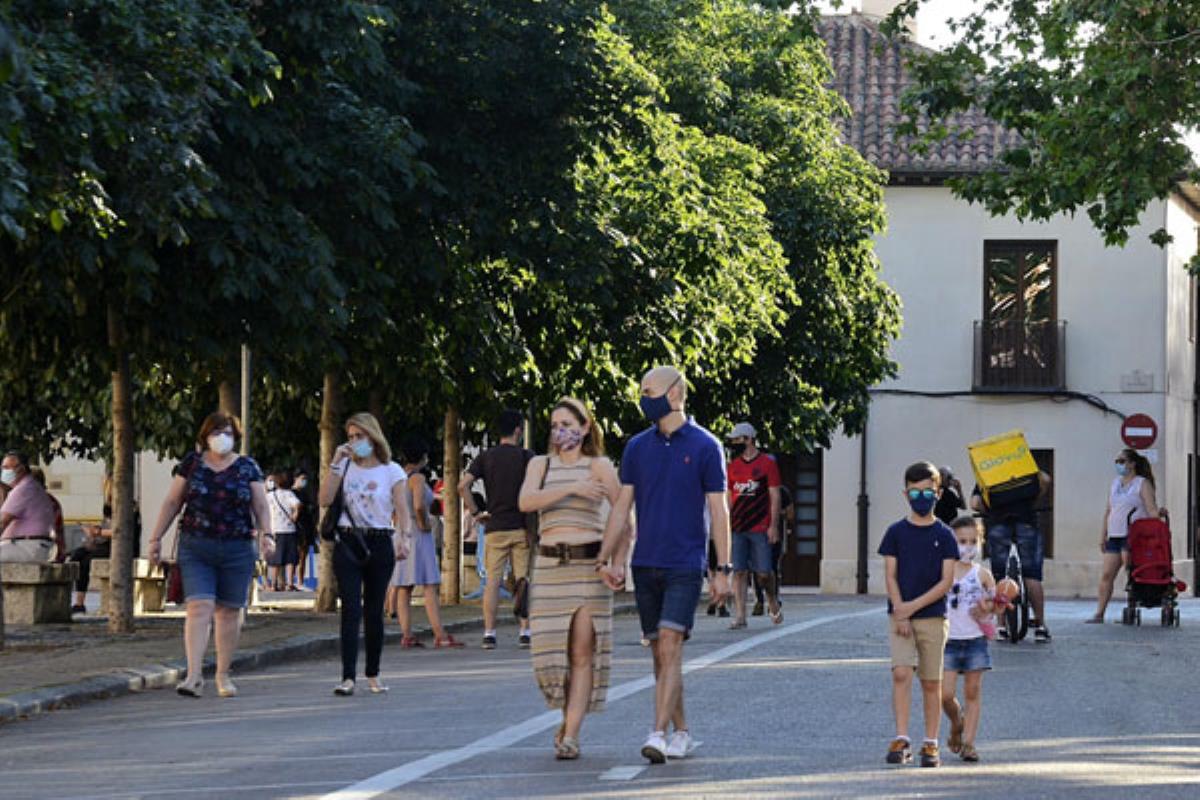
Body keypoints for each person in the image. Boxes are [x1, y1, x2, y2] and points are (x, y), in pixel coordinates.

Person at [597, 366, 732, 764]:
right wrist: (606, 556)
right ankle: (682, 732)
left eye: (648, 390)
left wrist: (722, 568)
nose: (643, 397)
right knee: (660, 655)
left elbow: (718, 511)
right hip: (646, 563)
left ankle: (656, 733)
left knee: (671, 644)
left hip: (684, 564)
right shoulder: (637, 447)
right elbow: (622, 506)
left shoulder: (707, 446)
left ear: (674, 394)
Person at [519, 397, 624, 760]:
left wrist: (617, 562)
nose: (559, 431)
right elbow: (526, 501)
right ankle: (567, 716)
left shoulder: (600, 466)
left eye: (567, 424)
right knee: (550, 654)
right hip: (548, 568)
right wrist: (571, 489)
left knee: (581, 653)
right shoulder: (540, 464)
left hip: (587, 568)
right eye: (554, 425)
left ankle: (572, 732)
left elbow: (624, 518)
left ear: (585, 428)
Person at [147, 412, 274, 699]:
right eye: (216, 432)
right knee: (199, 607)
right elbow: (172, 501)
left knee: (229, 611)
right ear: (205, 436)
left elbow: (261, 506)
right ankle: (193, 675)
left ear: (236, 437)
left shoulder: (247, 467)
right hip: (197, 546)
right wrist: (155, 538)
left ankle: (223, 674)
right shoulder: (191, 465)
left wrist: (268, 535)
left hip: (238, 547)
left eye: (228, 432)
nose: (222, 437)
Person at [319, 412, 408, 696]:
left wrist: (403, 539)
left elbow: (402, 510)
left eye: (360, 436)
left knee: (374, 610)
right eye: (351, 437)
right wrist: (334, 463)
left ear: (373, 436)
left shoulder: (391, 470)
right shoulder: (344, 467)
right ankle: (347, 677)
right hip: (348, 542)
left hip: (380, 542)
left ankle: (373, 673)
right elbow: (324, 499)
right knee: (351, 610)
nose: (355, 442)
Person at [880, 461, 958, 768]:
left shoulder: (946, 535)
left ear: (938, 493)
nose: (921, 497)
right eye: (915, 492)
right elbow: (890, 575)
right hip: (900, 617)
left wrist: (912, 608)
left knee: (931, 681)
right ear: (905, 493)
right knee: (901, 672)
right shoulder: (895, 532)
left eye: (927, 491)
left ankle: (931, 743)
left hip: (933, 618)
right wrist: (901, 611)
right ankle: (901, 738)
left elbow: (946, 581)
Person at [460, 409, 534, 650]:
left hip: (494, 527)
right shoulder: (527, 457)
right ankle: (525, 630)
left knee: (492, 580)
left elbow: (463, 485)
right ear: (518, 431)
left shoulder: (486, 457)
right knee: (523, 580)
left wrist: (475, 513)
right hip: (521, 527)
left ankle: (489, 633)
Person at [391, 436, 464, 649]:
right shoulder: (418, 479)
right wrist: (423, 523)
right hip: (417, 532)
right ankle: (439, 634)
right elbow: (419, 505)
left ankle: (406, 634)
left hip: (401, 531)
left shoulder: (396, 477)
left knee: (404, 586)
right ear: (422, 457)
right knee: (429, 585)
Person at [970, 468, 1052, 642]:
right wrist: (1034, 501)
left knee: (999, 575)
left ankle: (1000, 626)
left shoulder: (988, 471)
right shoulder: (1023, 468)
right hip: (1026, 521)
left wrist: (990, 509)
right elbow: (1045, 479)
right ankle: (1040, 626)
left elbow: (975, 503)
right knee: (1032, 576)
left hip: (998, 523)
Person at [942, 515, 995, 763]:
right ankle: (956, 722)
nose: (968, 546)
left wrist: (988, 608)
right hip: (947, 639)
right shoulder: (943, 570)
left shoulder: (982, 574)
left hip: (974, 639)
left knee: (973, 691)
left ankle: (970, 743)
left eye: (973, 541)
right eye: (962, 541)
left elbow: (999, 605)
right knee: (945, 694)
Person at [1088, 448, 1160, 623]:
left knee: (1131, 572)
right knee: (1107, 574)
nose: (1118, 465)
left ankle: (1131, 606)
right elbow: (1108, 510)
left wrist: (1157, 523)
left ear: (1132, 464)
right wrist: (1102, 535)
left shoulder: (1142, 484)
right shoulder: (1115, 484)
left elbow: (1151, 508)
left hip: (1134, 535)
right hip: (1115, 534)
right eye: (1117, 461)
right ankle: (1099, 613)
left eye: (1121, 461)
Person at [725, 422, 782, 628]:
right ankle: (740, 615)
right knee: (739, 571)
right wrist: (724, 525)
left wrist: (773, 525)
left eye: (737, 440)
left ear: (748, 439)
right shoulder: (732, 467)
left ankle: (772, 600)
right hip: (738, 526)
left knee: (764, 573)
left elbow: (774, 495)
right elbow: (729, 497)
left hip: (760, 526)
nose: (733, 444)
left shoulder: (767, 463)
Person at [0, 451, 59, 563]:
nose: (4, 472)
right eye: (3, 468)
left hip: (27, 547)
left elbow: (2, 523)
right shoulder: (31, 486)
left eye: (7, 468)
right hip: (32, 546)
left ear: (21, 469)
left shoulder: (23, 489)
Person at [266, 471, 302, 590]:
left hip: (275, 530)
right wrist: (295, 515)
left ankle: (273, 584)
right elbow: (297, 505)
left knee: (275, 559)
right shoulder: (289, 494)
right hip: (289, 529)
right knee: (290, 559)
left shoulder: (270, 496)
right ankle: (289, 583)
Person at [292, 467, 317, 589]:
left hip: (306, 527)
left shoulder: (306, 494)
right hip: (295, 527)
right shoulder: (291, 493)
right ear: (295, 479)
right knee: (293, 556)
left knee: (303, 556)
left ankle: (300, 581)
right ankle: (290, 581)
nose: (304, 481)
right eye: (302, 479)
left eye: (305, 479)